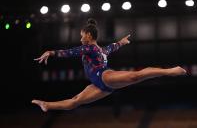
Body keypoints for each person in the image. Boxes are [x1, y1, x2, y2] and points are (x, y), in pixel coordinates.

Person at [32, 18, 186, 112]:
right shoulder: (101, 50)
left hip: (104, 77)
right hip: (100, 86)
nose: (80, 40)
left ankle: (170, 71)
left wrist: (51, 52)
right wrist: (121, 42)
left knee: (135, 76)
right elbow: (113, 46)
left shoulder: (90, 47)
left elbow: (70, 52)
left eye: (81, 36)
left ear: (89, 35)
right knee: (75, 101)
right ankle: (46, 105)